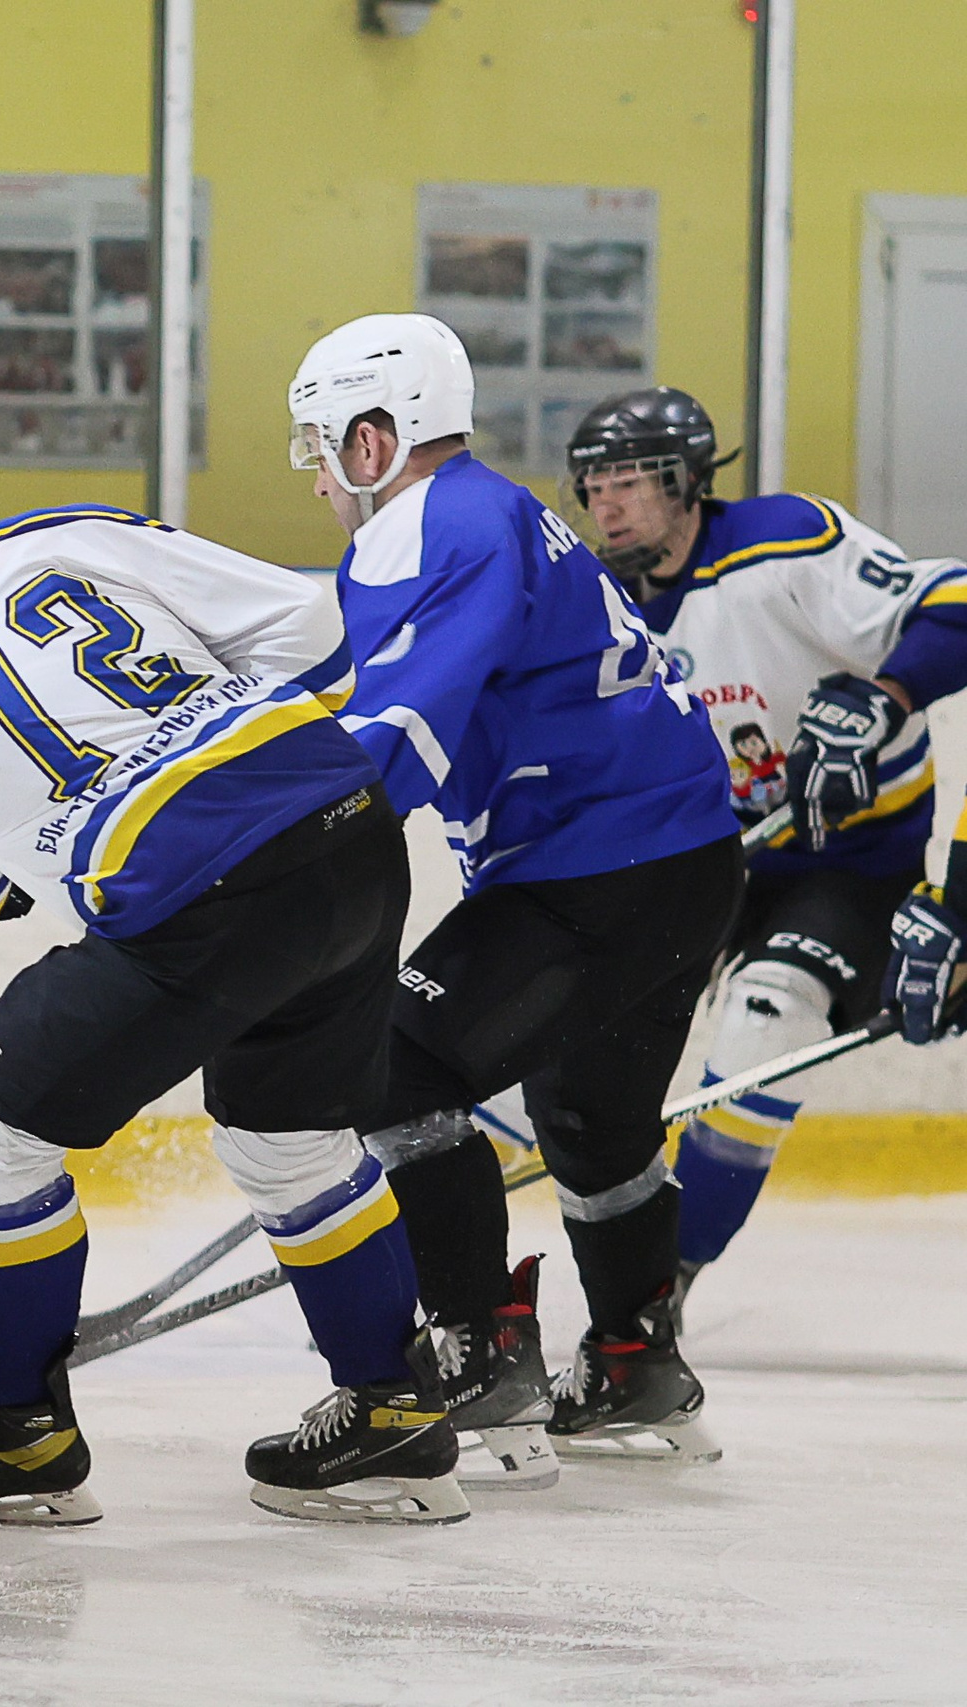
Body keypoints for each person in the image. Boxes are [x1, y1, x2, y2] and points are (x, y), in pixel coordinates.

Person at [0, 441, 464, 1528]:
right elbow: (313, 637)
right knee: (285, 1140)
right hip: (346, 827)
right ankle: (393, 1413)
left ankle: (16, 1435)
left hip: (205, 904)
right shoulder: (62, 535)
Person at [288, 317, 741, 1480]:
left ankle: (477, 1348)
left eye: (324, 446)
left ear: (376, 438)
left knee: (396, 1062)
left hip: (592, 871)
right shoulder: (486, 513)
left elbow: (392, 737)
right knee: (592, 1124)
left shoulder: (431, 524)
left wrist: (252, 852)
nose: (321, 478)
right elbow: (361, 682)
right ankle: (637, 1361)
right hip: (682, 860)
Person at [563, 386, 967, 1317]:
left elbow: (952, 608)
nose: (609, 503)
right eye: (595, 485)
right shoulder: (592, 607)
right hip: (697, 860)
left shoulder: (783, 544)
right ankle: (433, 1272)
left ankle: (661, 1289)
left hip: (848, 863)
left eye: (631, 480)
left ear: (690, 481)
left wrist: (888, 695)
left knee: (767, 1016)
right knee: (555, 1021)